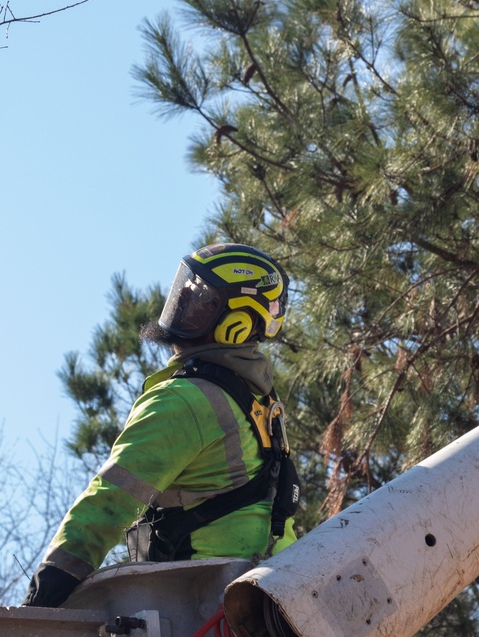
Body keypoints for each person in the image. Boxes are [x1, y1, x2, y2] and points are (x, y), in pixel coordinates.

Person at [23, 242, 300, 608]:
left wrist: (43, 598)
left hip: (205, 609)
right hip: (280, 597)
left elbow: (108, 502)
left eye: (200, 300)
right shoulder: (260, 402)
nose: (182, 305)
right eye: (183, 292)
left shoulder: (184, 400)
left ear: (237, 322)